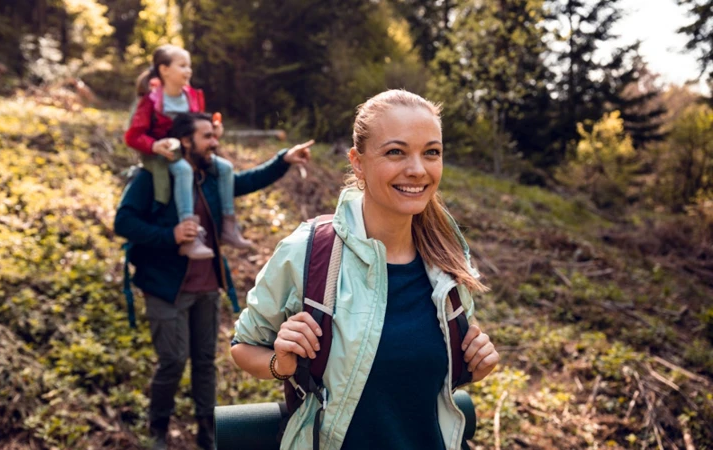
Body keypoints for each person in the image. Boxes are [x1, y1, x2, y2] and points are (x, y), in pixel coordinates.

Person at [230, 89, 500, 450]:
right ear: (358, 162)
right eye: (395, 152)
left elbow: (420, 384)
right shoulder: (309, 252)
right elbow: (243, 347)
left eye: (431, 152)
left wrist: (472, 367)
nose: (417, 169)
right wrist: (283, 362)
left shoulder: (449, 256)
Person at [115, 112, 314, 450]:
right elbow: (124, 221)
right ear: (186, 141)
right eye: (207, 136)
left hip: (207, 286)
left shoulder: (210, 176)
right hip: (165, 287)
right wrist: (170, 234)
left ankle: (207, 433)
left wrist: (283, 161)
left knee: (205, 361)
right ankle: (158, 429)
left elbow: (244, 182)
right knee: (173, 360)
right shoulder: (155, 177)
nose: (215, 142)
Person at [125, 44, 250, 260]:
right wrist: (155, 146)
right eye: (182, 66)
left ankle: (228, 226)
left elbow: (200, 125)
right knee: (183, 170)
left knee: (226, 168)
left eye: (189, 66)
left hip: (192, 151)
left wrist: (213, 129)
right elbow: (133, 136)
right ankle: (189, 234)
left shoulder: (192, 96)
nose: (188, 71)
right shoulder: (151, 100)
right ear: (164, 69)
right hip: (165, 155)